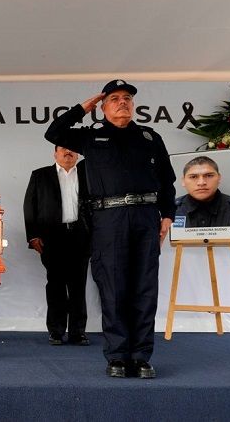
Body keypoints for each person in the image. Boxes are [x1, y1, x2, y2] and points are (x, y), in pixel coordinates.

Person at [44, 79, 176, 379]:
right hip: (108, 219)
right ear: (103, 107)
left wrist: (167, 214)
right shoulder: (92, 137)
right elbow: (53, 133)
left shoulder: (149, 137)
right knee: (113, 288)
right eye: (114, 98)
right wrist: (82, 108)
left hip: (145, 217)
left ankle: (141, 357)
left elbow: (167, 180)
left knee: (144, 288)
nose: (122, 102)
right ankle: (117, 356)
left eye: (127, 98)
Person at [23, 146, 91, 346]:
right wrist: (33, 236)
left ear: (78, 153)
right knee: (56, 285)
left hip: (81, 235)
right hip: (52, 237)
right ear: (55, 153)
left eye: (72, 149)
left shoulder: (89, 175)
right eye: (63, 149)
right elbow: (29, 206)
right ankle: (56, 331)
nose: (68, 152)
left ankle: (78, 332)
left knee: (79, 286)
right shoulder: (40, 175)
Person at [175, 156, 230, 228]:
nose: (201, 183)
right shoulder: (171, 210)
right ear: (183, 181)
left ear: (219, 178)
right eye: (193, 177)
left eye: (209, 176)